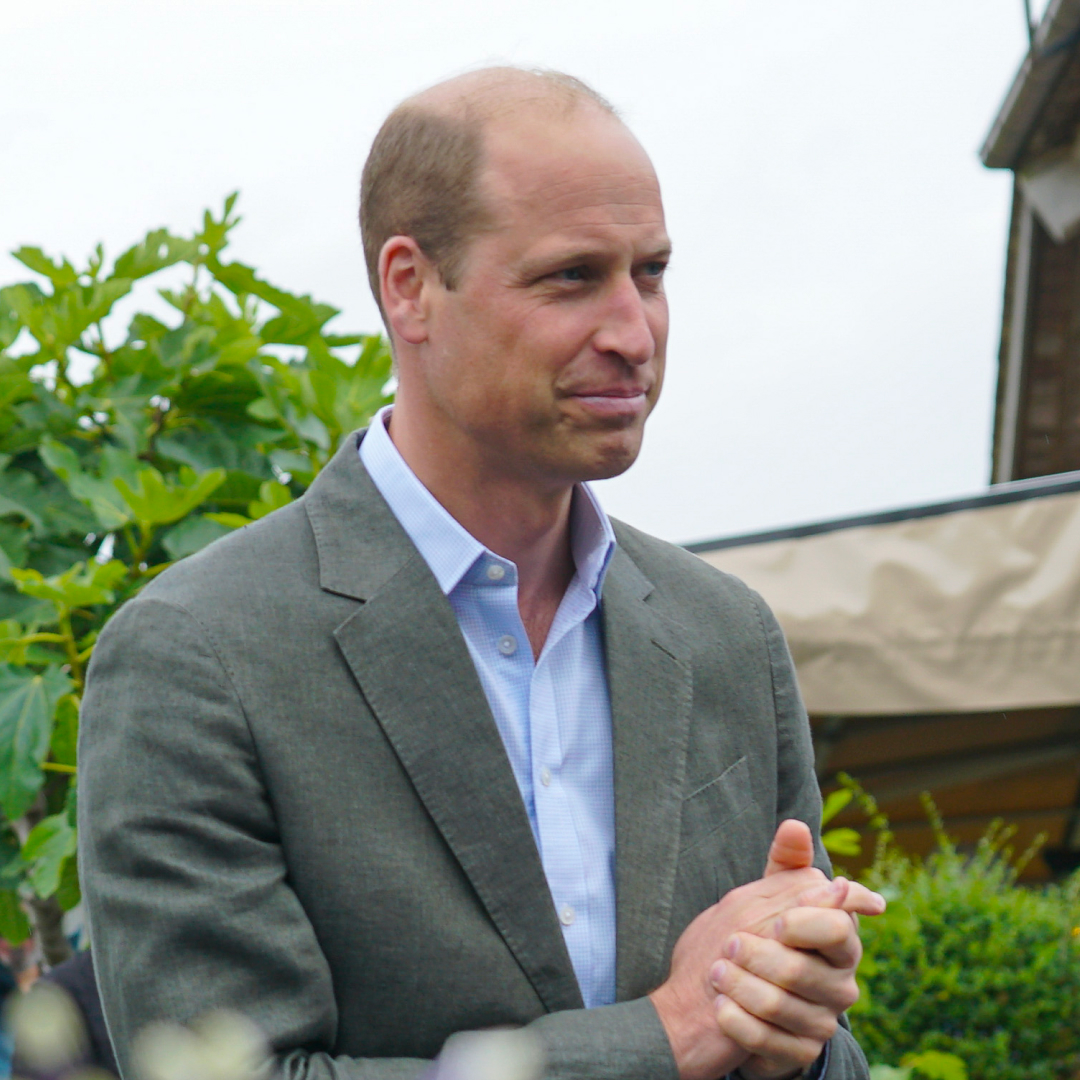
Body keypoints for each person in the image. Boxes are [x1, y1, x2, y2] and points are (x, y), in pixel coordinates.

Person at [79, 67, 884, 1080]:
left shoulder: (725, 635)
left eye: (651, 273)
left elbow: (813, 1049)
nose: (634, 334)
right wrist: (665, 1038)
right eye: (570, 278)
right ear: (409, 287)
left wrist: (793, 1038)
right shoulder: (198, 656)